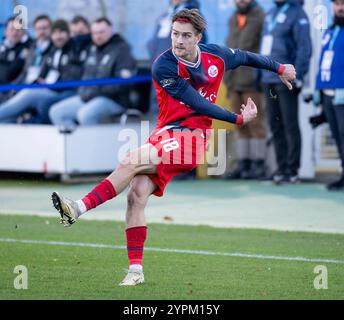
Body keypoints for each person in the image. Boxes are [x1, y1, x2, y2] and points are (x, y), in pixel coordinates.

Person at [51, 9, 296, 286]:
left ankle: (78, 208)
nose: (178, 41)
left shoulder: (216, 56)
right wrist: (237, 117)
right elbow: (197, 101)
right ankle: (135, 271)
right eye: (175, 34)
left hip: (192, 138)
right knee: (137, 193)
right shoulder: (163, 65)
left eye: (186, 36)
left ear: (198, 38)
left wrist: (279, 68)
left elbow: (246, 57)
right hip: (166, 134)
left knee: (131, 159)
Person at [49, 17, 136, 128]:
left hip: (113, 100)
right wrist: (84, 91)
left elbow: (124, 83)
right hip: (88, 97)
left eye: (101, 32)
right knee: (56, 112)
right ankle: (78, 142)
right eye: (94, 33)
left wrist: (96, 90)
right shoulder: (92, 49)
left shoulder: (122, 50)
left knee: (85, 115)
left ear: (111, 31)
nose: (98, 36)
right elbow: (85, 76)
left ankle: (97, 144)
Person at [260, 0, 312, 184]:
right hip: (268, 79)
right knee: (275, 125)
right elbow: (264, 48)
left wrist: (298, 75)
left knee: (290, 125)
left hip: (286, 79)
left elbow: (304, 47)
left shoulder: (297, 12)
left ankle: (292, 170)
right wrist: (258, 74)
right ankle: (281, 169)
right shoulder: (271, 12)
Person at [0, 19, 84, 124]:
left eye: (45, 28)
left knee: (28, 93)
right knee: (8, 116)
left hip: (54, 90)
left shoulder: (70, 49)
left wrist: (48, 84)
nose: (42, 31)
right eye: (39, 28)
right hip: (37, 86)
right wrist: (16, 85)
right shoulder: (35, 47)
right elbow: (28, 72)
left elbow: (71, 75)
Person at [224, 0, 266, 180]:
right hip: (233, 81)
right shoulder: (233, 18)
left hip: (251, 81)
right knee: (239, 124)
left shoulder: (261, 17)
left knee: (256, 125)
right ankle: (244, 164)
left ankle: (259, 165)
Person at [314, 0, 344, 191]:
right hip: (327, 93)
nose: (340, 7)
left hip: (342, 93)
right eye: (337, 3)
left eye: (343, 3)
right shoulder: (330, 30)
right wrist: (318, 90)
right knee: (337, 135)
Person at [0, 16, 32, 102]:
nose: (14, 33)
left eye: (18, 30)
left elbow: (12, 72)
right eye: (11, 29)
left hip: (13, 90)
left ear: (23, 32)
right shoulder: (3, 47)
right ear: (6, 31)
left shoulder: (27, 48)